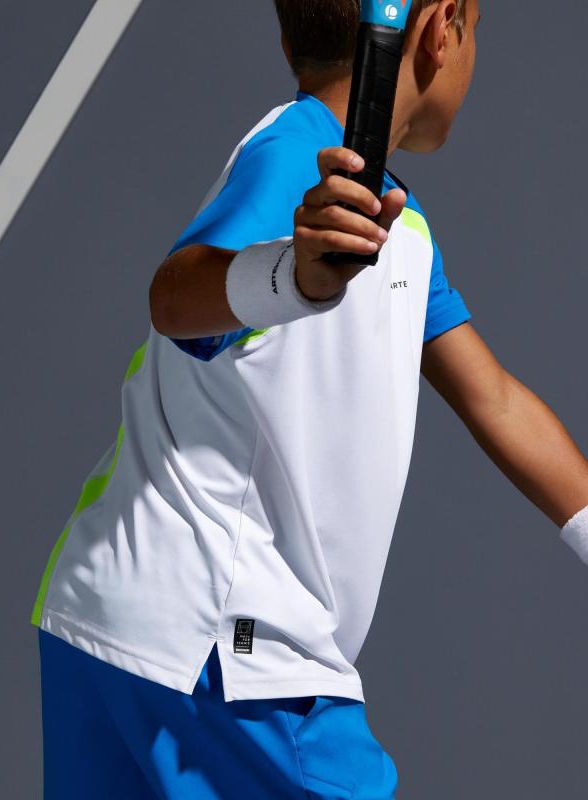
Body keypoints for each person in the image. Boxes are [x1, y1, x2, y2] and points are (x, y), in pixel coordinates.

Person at [30, 1, 588, 797]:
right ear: (442, 28)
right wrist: (293, 275)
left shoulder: (397, 227)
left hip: (107, 617)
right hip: (223, 648)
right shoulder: (295, 154)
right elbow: (175, 298)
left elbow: (494, 399)